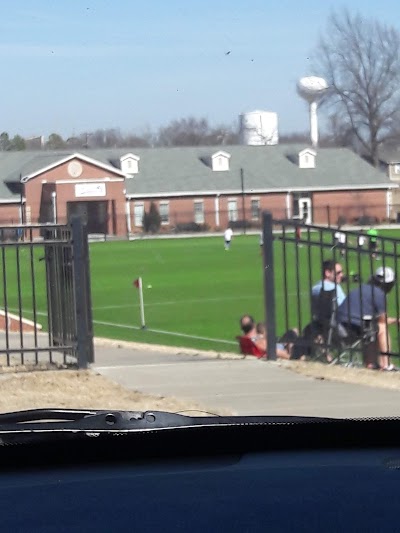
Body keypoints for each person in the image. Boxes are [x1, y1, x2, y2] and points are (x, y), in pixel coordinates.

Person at [336, 266, 399, 371]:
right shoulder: (379, 294)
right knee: (380, 328)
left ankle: (371, 363)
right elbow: (382, 320)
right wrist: (396, 321)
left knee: (370, 327)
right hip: (349, 331)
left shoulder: (360, 288)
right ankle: (386, 364)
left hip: (336, 327)